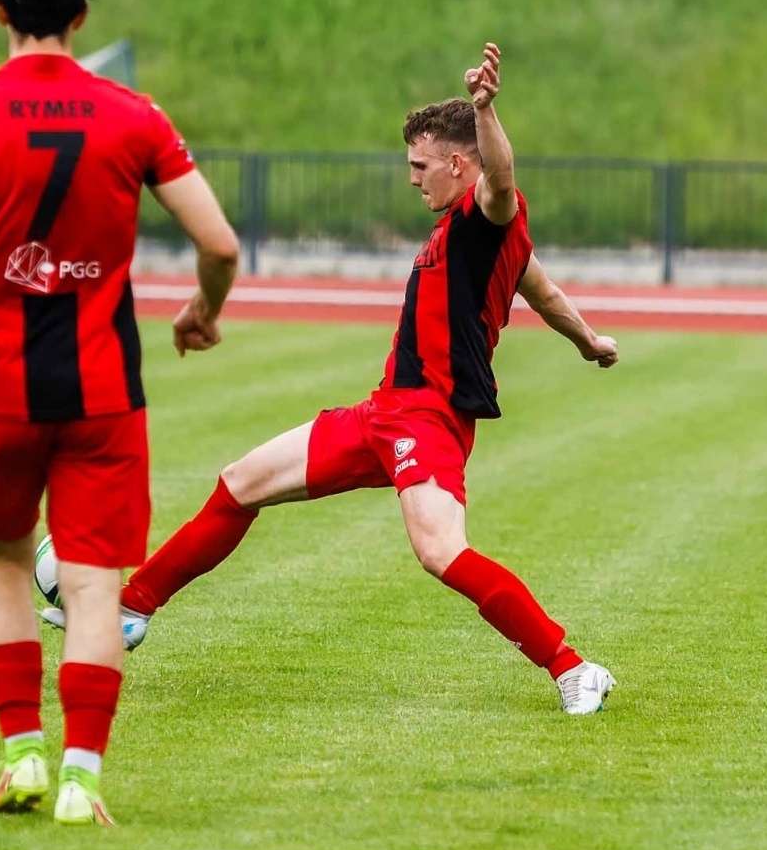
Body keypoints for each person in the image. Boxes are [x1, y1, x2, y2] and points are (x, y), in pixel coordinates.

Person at [49, 45, 621, 716]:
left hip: (428, 419)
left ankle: (574, 667)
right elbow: (544, 291)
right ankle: (133, 607)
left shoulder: (485, 215)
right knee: (241, 482)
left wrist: (487, 110)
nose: (412, 179)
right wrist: (590, 342)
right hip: (381, 414)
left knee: (440, 551)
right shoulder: (485, 238)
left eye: (419, 165)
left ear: (458, 164)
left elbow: (501, 180)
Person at [0, 0, 241, 826]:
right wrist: (203, 310)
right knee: (89, 583)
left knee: (1, 564)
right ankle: (83, 778)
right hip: (103, 388)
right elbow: (219, 243)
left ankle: (23, 757)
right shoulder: (135, 113)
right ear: (84, 14)